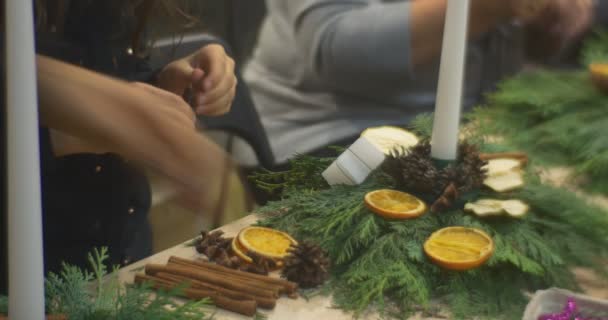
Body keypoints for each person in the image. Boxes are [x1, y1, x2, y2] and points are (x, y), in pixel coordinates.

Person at [0, 0, 237, 294]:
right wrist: (96, 122)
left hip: (122, 260)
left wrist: (161, 85)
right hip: (30, 280)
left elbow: (112, 68)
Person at [235, 0, 595, 168]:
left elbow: (533, 44)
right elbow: (338, 52)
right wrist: (485, 6)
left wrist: (558, 15)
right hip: (327, 142)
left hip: (467, 129)